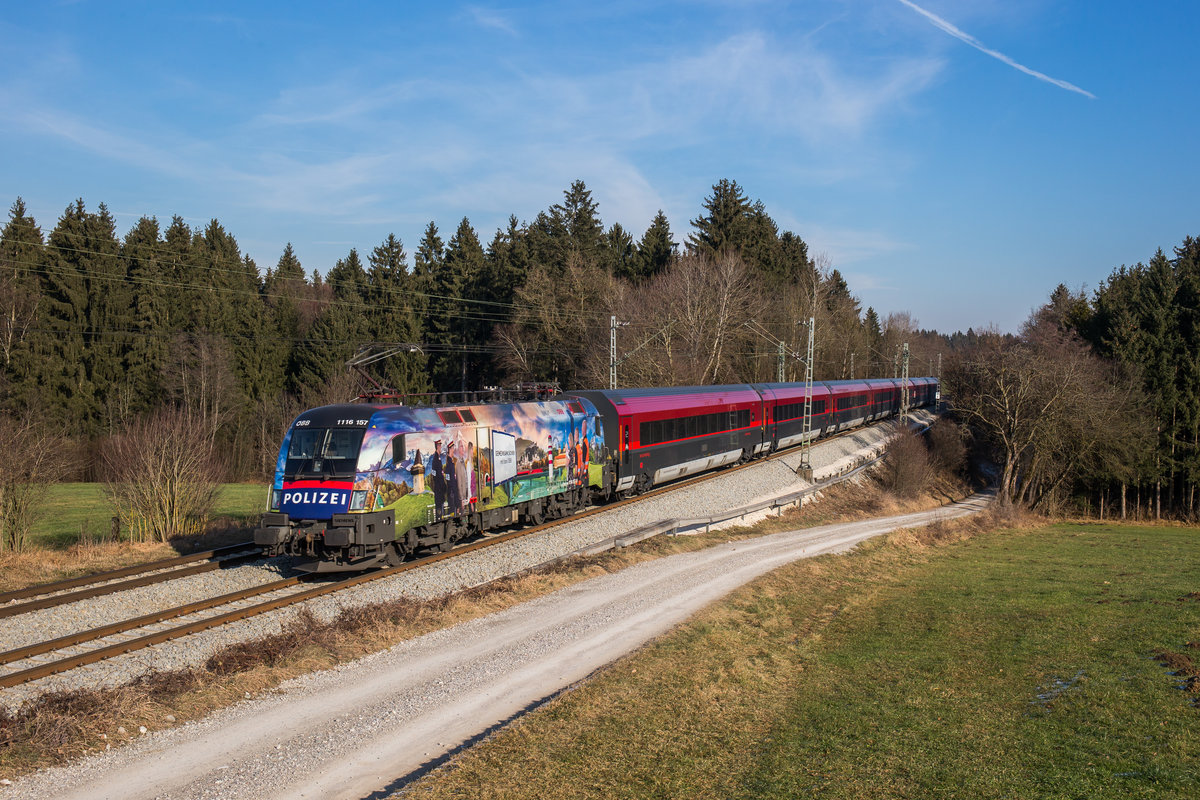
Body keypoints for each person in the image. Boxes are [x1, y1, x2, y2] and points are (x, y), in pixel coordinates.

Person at [430, 440, 447, 519]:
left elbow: (437, 473)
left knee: (441, 508)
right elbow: (435, 475)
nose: (441, 447)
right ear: (437, 446)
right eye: (440, 445)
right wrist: (442, 486)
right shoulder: (436, 459)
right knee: (439, 509)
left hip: (439, 489)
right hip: (438, 489)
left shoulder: (437, 458)